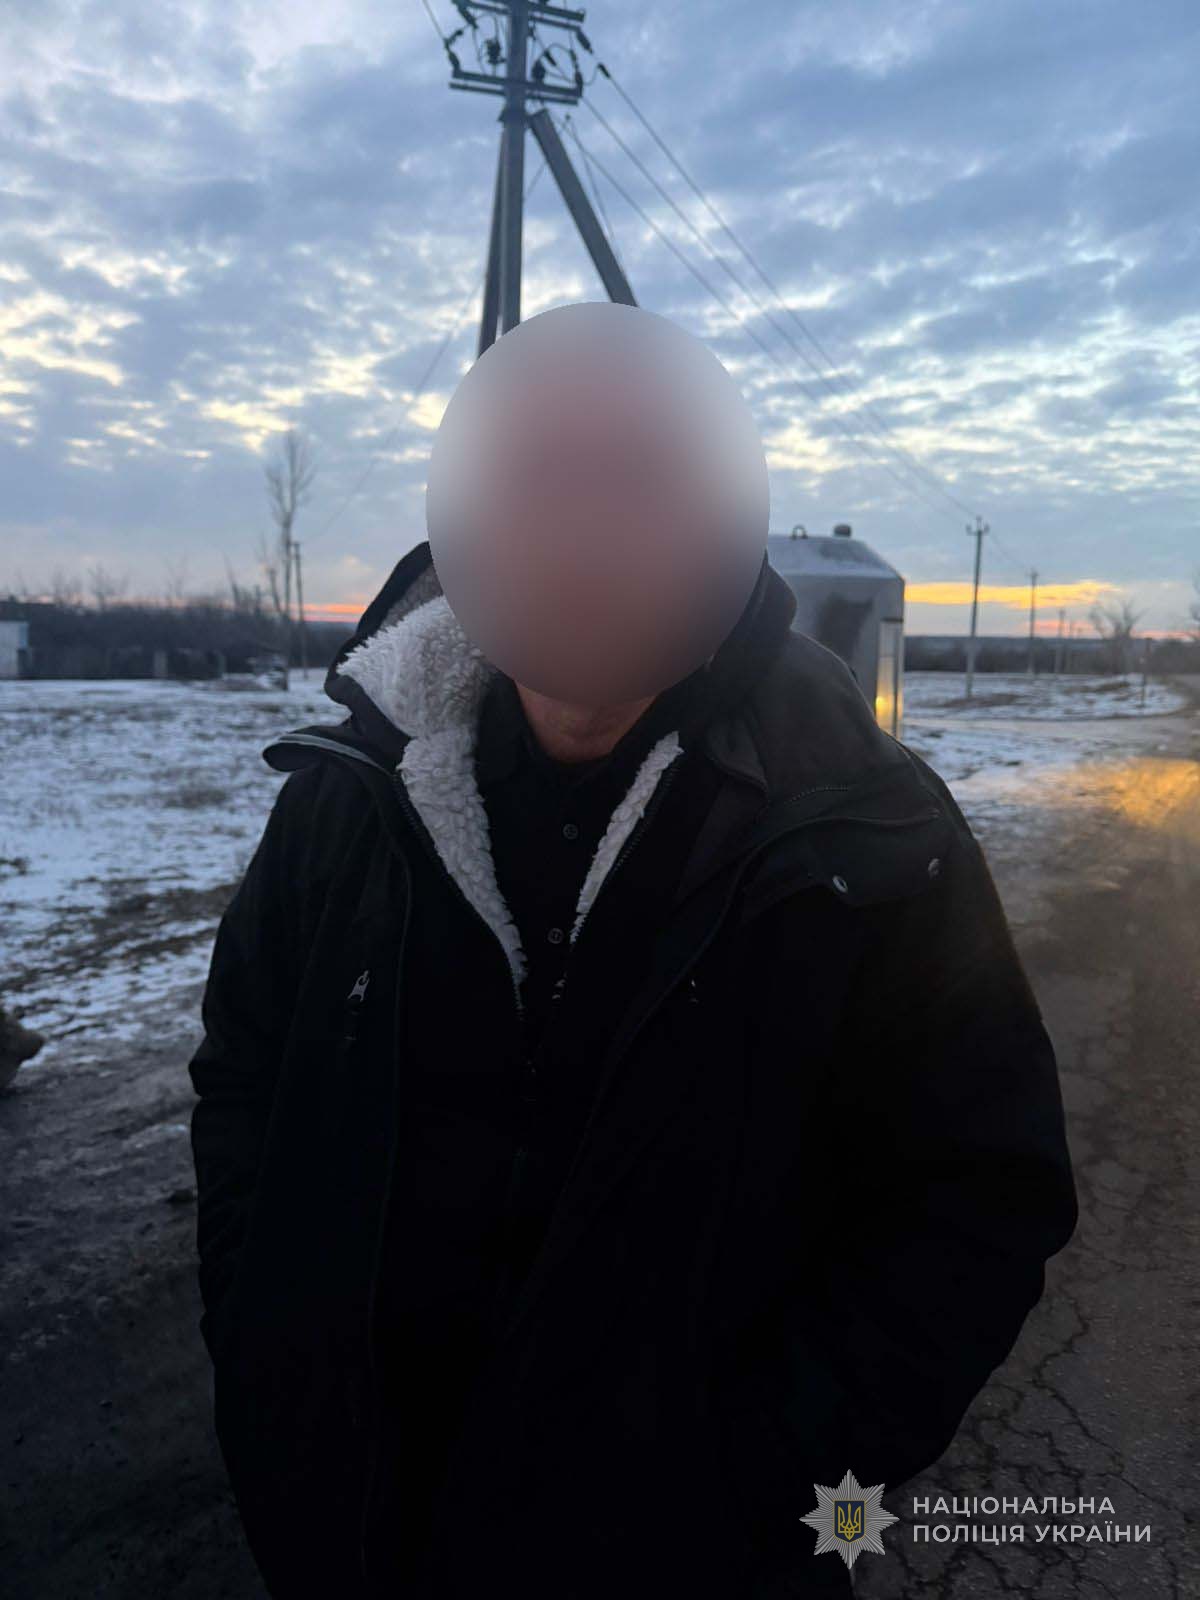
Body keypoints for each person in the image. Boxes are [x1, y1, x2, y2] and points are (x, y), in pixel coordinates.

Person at [188, 313, 1077, 1600]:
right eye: (541, 477)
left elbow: (980, 1193)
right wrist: (265, 1362)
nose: (587, 531)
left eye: (641, 480)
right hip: (357, 1546)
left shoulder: (863, 832)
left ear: (719, 514)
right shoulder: (351, 794)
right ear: (472, 506)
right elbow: (245, 1074)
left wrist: (759, 1475)